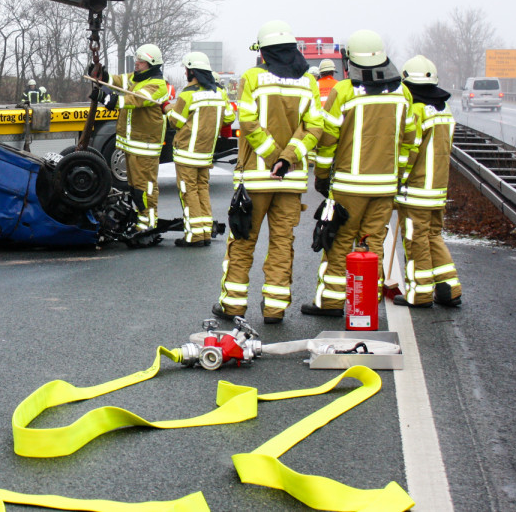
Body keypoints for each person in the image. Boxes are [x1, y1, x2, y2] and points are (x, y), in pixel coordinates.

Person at [216, 21, 323, 324]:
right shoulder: (308, 82)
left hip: (255, 180)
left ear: (264, 52)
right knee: (281, 244)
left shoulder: (252, 78)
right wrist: (287, 160)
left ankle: (233, 305)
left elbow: (248, 122)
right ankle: (275, 309)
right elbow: (314, 127)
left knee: (242, 242)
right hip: (290, 182)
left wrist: (273, 157)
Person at [306, 30, 417, 317]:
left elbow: (328, 140)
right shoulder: (403, 93)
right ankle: (367, 302)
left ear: (350, 60)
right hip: (385, 186)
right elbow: (408, 140)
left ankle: (331, 302)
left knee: (340, 241)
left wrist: (321, 175)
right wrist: (399, 174)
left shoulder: (344, 92)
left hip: (348, 185)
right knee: (373, 243)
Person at [394, 55, 461, 307]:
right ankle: (449, 288)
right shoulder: (444, 110)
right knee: (433, 236)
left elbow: (409, 152)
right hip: (438, 188)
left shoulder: (416, 110)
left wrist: (399, 178)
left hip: (417, 190)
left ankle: (420, 293)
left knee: (416, 240)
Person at [165, 52, 235, 247]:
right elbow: (228, 118)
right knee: (202, 190)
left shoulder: (188, 94)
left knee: (189, 192)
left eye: (186, 70)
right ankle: (204, 232)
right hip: (206, 154)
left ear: (191, 71)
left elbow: (174, 122)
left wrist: (169, 108)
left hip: (187, 154)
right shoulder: (219, 93)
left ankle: (194, 236)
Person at [107, 44, 170, 233]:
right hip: (134, 145)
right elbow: (118, 81)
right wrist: (102, 76)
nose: (137, 63)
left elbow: (135, 100)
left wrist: (110, 100)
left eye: (140, 61)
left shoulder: (157, 85)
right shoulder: (137, 79)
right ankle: (142, 218)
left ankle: (148, 222)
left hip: (146, 146)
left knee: (145, 187)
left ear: (151, 63)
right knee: (135, 187)